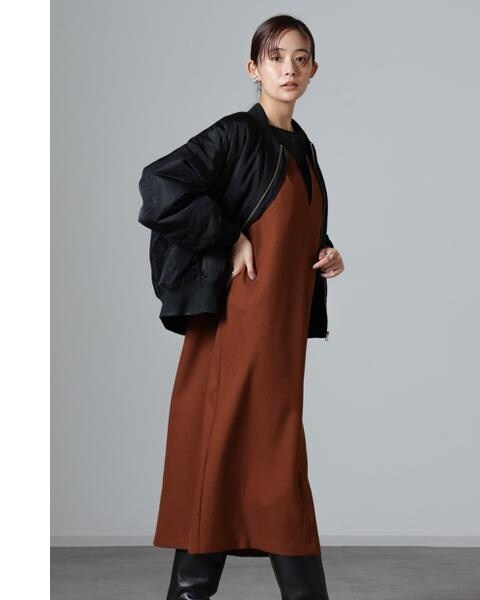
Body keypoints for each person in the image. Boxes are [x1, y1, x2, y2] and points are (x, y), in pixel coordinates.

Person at [138, 14, 345, 600]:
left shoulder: (302, 147)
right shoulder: (237, 134)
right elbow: (159, 185)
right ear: (254, 68)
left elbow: (288, 229)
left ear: (314, 70)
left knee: (269, 472)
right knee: (224, 467)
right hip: (235, 336)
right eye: (276, 57)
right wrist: (227, 236)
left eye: (300, 58)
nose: (289, 69)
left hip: (278, 343)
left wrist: (325, 250)